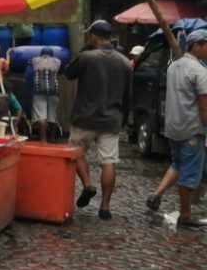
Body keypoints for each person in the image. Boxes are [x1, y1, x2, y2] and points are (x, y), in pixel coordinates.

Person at [64, 19, 131, 221]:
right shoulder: (124, 62)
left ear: (93, 36)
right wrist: (124, 119)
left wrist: (84, 51)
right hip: (111, 119)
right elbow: (128, 95)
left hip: (85, 118)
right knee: (109, 161)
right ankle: (105, 207)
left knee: (75, 151)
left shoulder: (86, 57)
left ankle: (87, 184)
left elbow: (69, 73)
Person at [145, 29, 207, 228]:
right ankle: (185, 214)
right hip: (191, 128)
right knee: (189, 173)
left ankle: (157, 194)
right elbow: (204, 105)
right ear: (196, 46)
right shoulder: (199, 71)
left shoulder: (173, 66)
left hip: (173, 126)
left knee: (178, 164)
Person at [30, 46, 62, 142]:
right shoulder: (57, 61)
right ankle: (52, 138)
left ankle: (43, 140)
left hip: (39, 90)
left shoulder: (35, 60)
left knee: (41, 115)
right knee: (53, 115)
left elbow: (31, 64)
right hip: (54, 90)